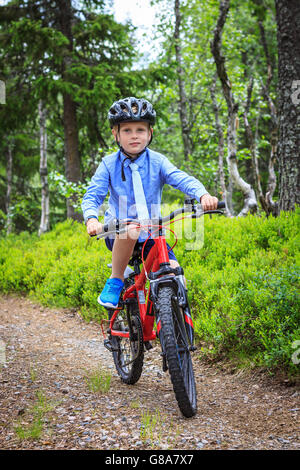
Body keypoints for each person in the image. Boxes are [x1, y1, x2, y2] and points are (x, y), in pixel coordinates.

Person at [81, 96, 218, 309]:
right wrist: (91, 219)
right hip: (119, 232)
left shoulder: (158, 162)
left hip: (153, 233)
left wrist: (203, 195)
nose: (134, 136)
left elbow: (181, 178)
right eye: (127, 130)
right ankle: (116, 279)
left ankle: (178, 331)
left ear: (150, 133)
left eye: (140, 130)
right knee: (131, 228)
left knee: (176, 276)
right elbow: (93, 195)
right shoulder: (108, 164)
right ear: (115, 134)